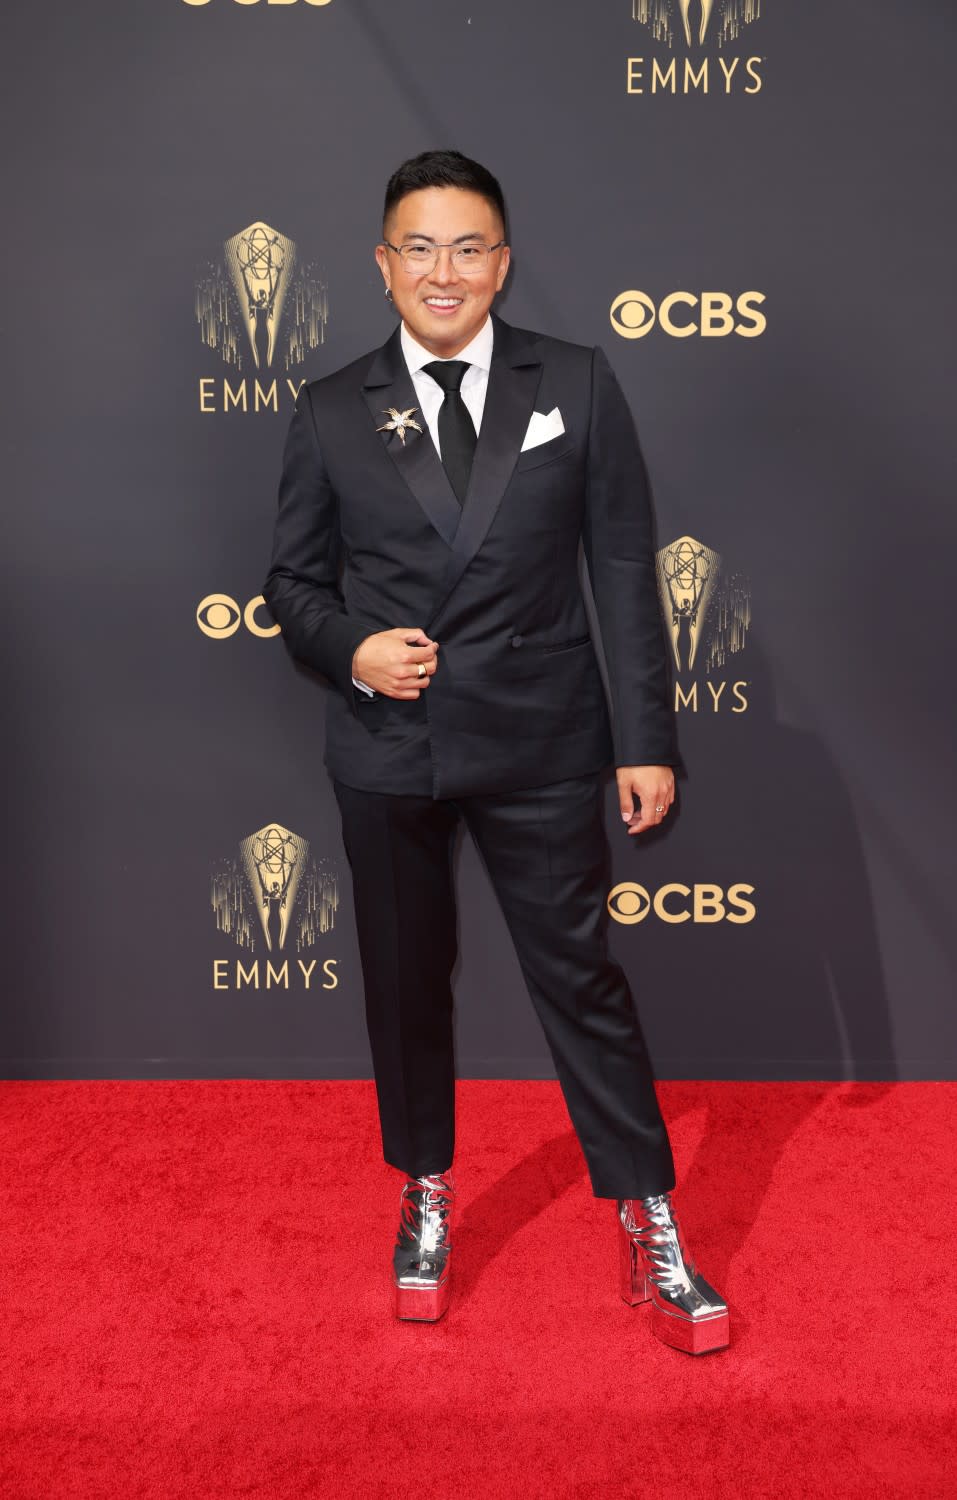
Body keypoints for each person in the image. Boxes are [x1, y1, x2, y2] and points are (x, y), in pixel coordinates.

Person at [263, 150, 729, 1355]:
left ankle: (650, 1215)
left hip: (544, 737)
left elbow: (623, 566)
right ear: (381, 265)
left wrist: (646, 738)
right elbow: (292, 584)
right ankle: (424, 1192)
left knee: (583, 981)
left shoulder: (573, 378)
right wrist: (354, 649)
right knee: (407, 987)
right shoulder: (327, 408)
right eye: (418, 248)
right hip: (390, 743)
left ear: (503, 262)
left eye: (468, 247)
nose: (443, 271)